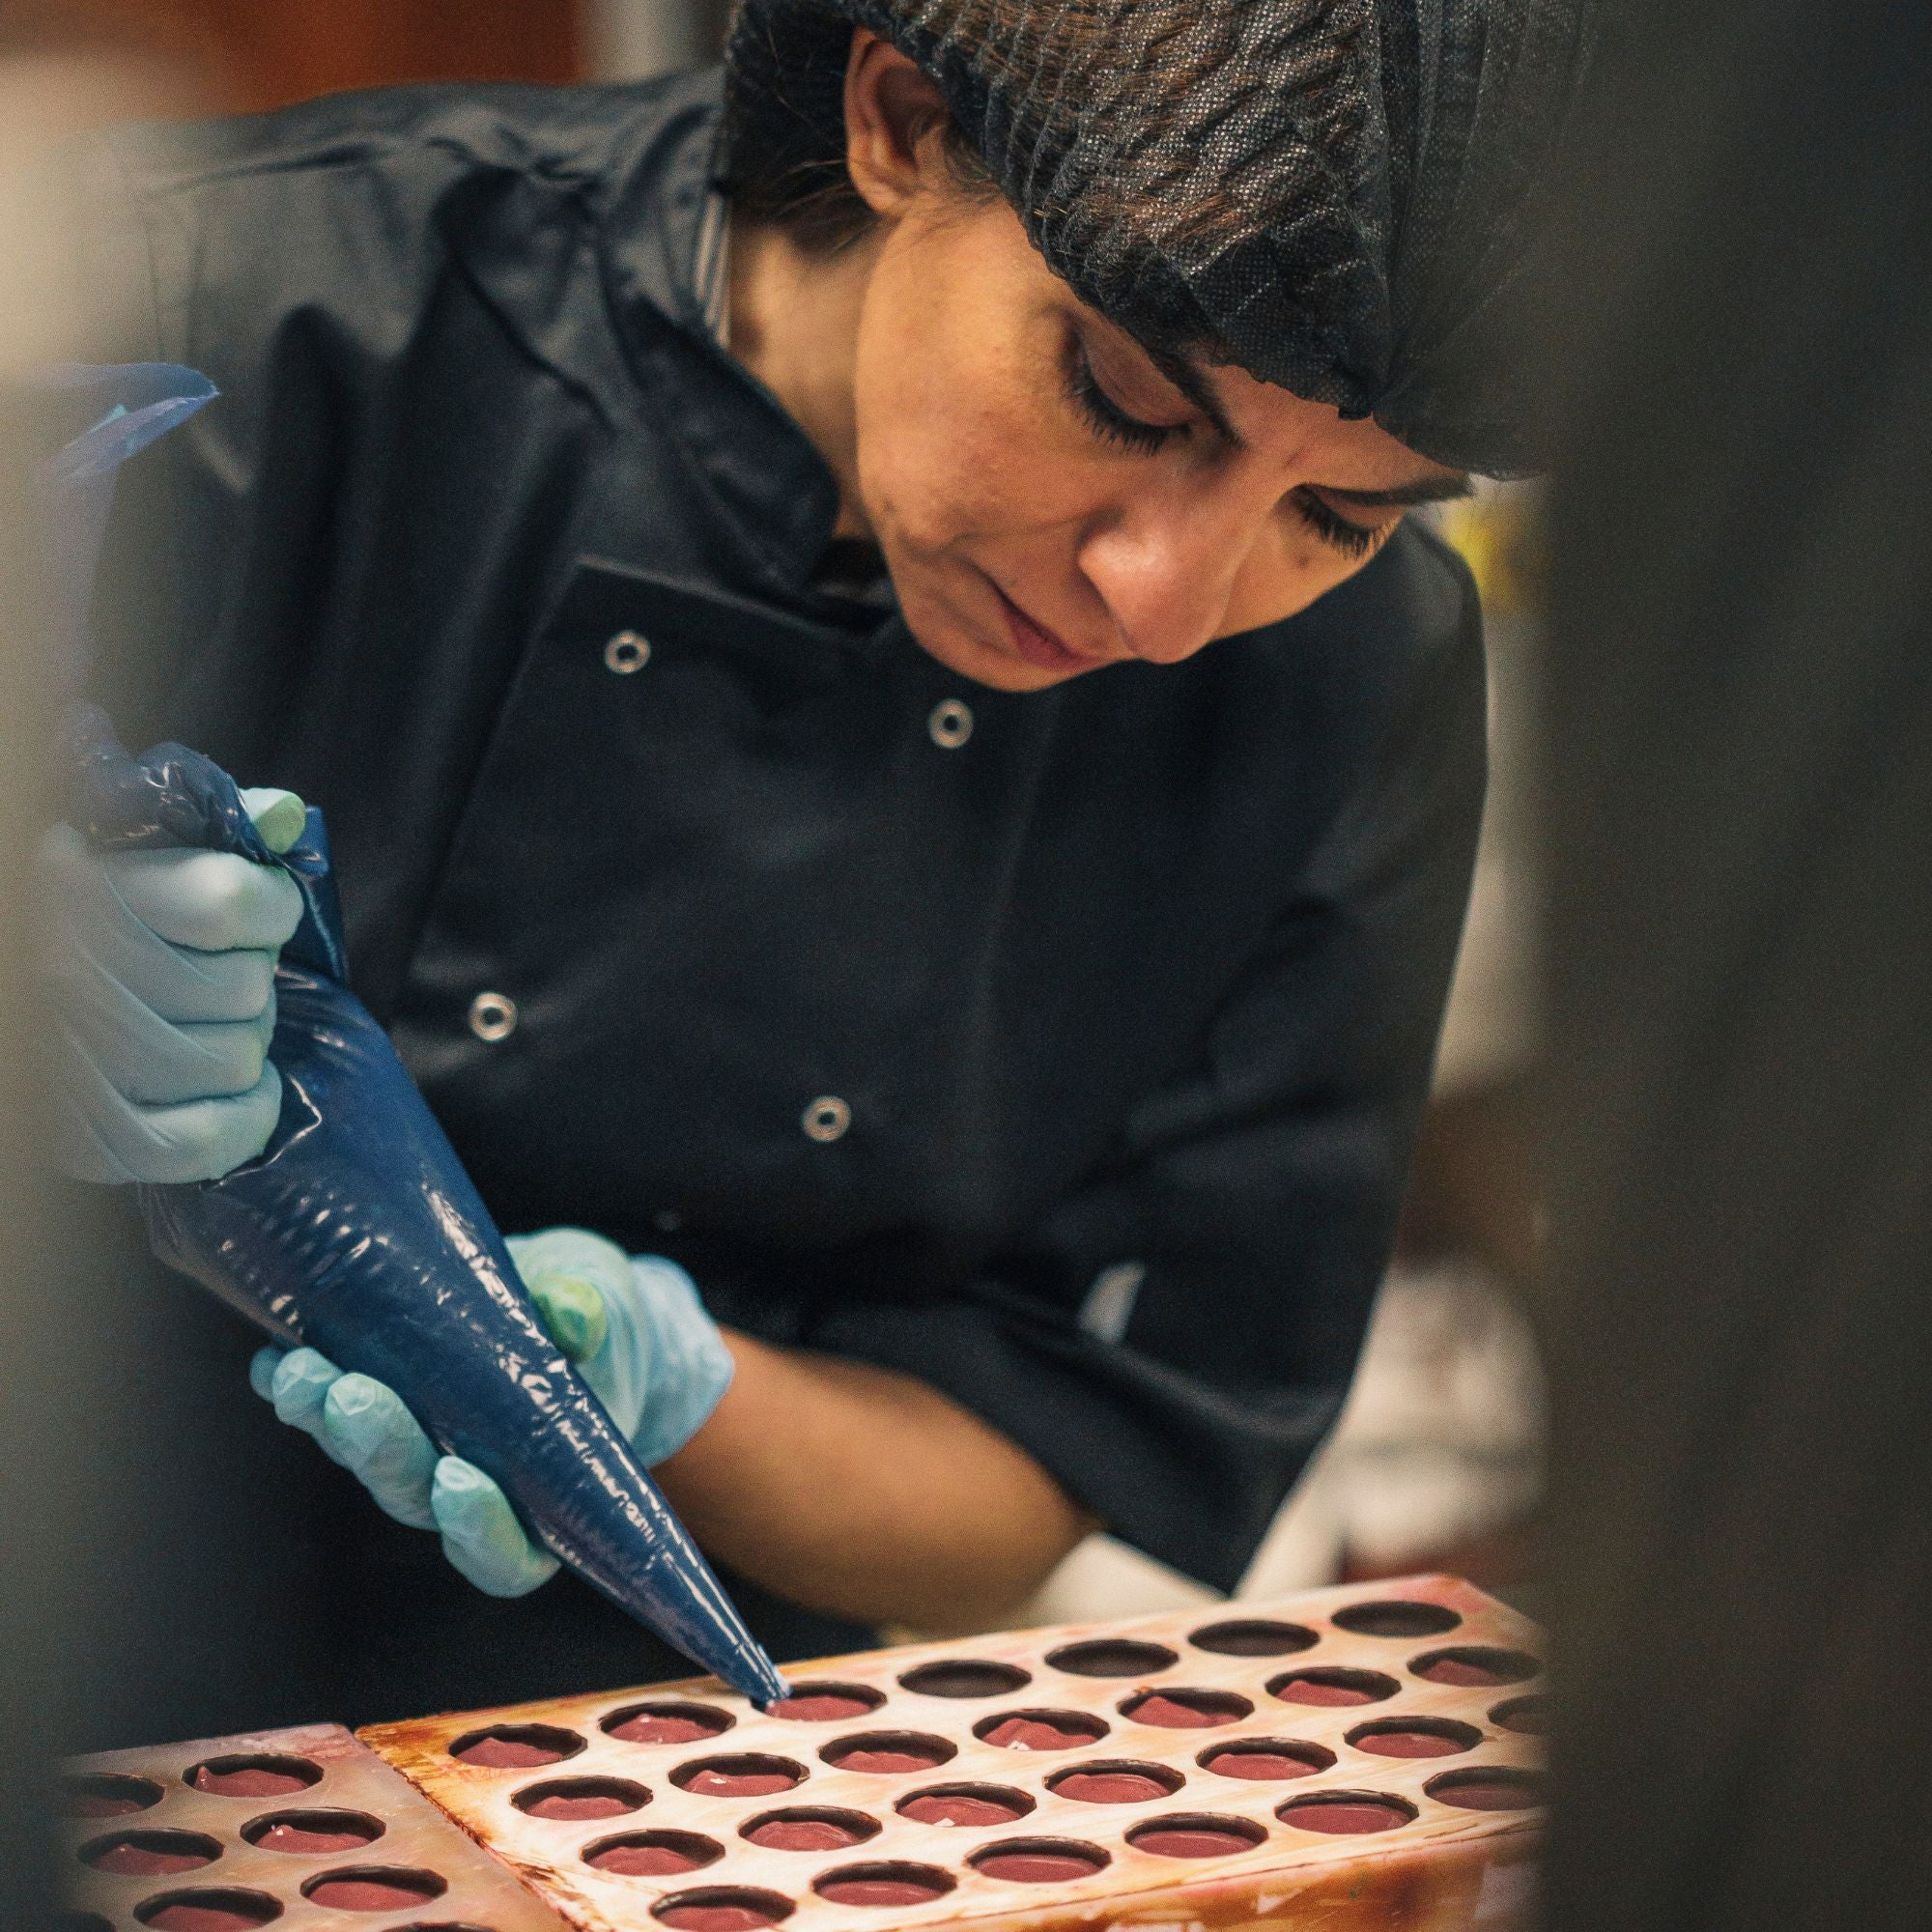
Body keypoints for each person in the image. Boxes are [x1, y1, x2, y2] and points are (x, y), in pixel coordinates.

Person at [38, 0, 1592, 1719]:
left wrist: (672, 1390)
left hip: (650, 1783)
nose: (1168, 599)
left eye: (1337, 516)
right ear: (902, 119)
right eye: (1124, 396)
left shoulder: (1344, 687)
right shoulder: (216, 313)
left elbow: (1064, 1456)